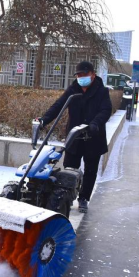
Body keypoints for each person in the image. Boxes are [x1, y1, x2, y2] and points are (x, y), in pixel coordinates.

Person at [37, 61, 112, 213]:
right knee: (70, 168)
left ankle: (84, 198)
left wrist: (95, 123)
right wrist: (44, 120)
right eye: (79, 75)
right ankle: (67, 195)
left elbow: (106, 110)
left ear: (93, 75)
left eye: (84, 74)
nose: (81, 77)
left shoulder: (102, 91)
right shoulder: (73, 90)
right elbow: (58, 106)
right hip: (74, 137)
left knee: (90, 171)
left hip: (93, 136)